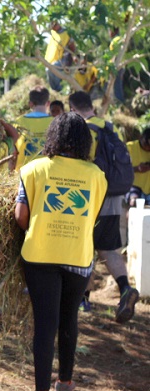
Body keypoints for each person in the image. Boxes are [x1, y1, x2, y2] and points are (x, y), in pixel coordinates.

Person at [15, 112, 107, 391]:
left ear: (53, 137)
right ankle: (65, 382)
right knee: (69, 319)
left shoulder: (33, 169)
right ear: (84, 142)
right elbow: (92, 217)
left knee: (45, 323)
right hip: (78, 257)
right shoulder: (96, 176)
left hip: (39, 255)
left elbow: (20, 216)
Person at [69, 91, 139, 322]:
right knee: (108, 248)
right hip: (113, 197)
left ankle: (83, 299)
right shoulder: (110, 127)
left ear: (72, 109)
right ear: (91, 106)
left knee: (85, 247)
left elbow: (83, 164)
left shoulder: (85, 129)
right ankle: (126, 289)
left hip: (92, 197)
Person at [1, 86, 54, 171]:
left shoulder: (17, 123)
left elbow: (11, 151)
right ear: (48, 103)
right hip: (48, 173)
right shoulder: (55, 123)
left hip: (22, 174)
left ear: (30, 104)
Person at [45, 21, 76, 92]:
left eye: (54, 25)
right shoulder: (54, 33)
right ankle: (54, 90)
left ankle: (58, 90)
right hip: (53, 60)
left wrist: (69, 60)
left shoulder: (67, 33)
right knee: (49, 70)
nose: (53, 27)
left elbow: (73, 48)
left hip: (64, 60)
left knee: (50, 69)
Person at [125, 127, 150, 206]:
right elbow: (121, 170)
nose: (147, 148)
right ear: (141, 137)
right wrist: (136, 169)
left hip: (148, 188)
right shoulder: (129, 147)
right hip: (133, 186)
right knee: (133, 203)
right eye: (145, 144)